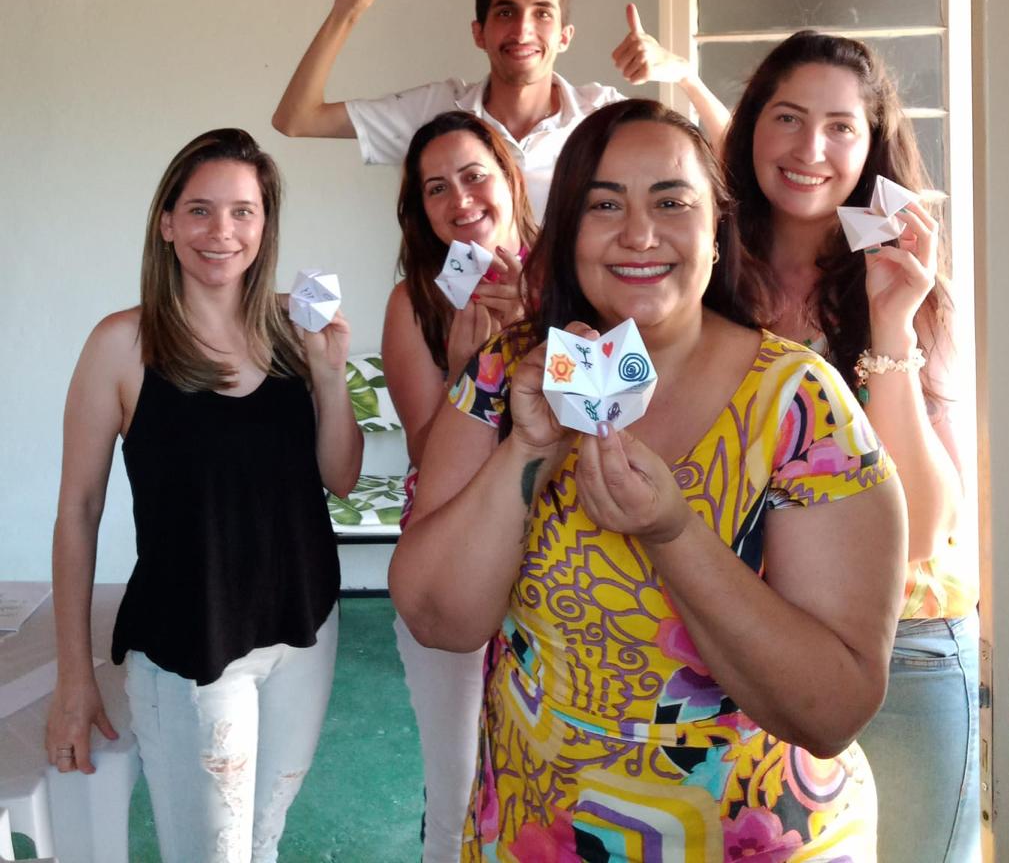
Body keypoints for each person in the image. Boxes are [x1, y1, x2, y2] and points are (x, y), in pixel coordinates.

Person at [389, 98, 907, 860]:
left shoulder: (800, 404)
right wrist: (526, 450)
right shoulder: (508, 373)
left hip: (751, 834)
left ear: (717, 229)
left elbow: (831, 710)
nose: (638, 234)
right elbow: (438, 619)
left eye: (671, 202)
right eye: (604, 205)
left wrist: (672, 531)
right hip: (540, 826)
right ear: (568, 232)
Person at [45, 129, 363, 863]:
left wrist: (329, 373)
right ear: (166, 223)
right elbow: (78, 512)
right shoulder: (122, 345)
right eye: (200, 210)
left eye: (243, 212)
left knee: (265, 840)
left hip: (304, 629)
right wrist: (73, 679)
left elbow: (341, 478)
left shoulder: (294, 331)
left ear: (265, 225)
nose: (222, 231)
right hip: (192, 645)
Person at [710, 30, 980, 862]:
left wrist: (890, 323)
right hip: (743, 637)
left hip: (905, 642)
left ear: (870, 148)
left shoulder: (910, 282)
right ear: (751, 125)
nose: (810, 150)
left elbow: (925, 526)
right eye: (788, 118)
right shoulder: (705, 273)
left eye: (840, 127)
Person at [272, 0, 728, 215]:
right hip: (464, 330)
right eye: (506, 12)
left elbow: (730, 156)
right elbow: (297, 118)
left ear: (564, 36)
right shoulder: (438, 112)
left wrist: (685, 74)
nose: (523, 31)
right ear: (479, 32)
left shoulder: (601, 115)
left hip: (577, 332)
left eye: (542, 14)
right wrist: (347, 10)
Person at [382, 110, 538, 862]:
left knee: (548, 774)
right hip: (450, 549)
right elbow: (424, 450)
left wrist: (540, 330)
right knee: (458, 783)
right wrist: (464, 374)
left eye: (474, 176)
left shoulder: (573, 277)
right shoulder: (416, 299)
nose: (460, 199)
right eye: (436, 188)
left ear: (510, 180)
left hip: (558, 555)